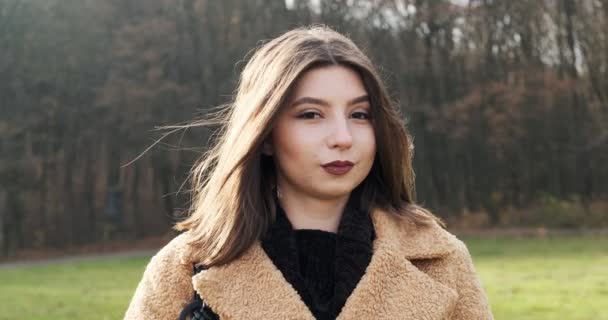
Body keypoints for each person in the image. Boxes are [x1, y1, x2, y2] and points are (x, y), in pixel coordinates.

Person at [124, 25, 494, 320]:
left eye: (359, 115)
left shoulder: (441, 259)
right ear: (265, 134)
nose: (342, 138)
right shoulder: (184, 269)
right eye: (311, 115)